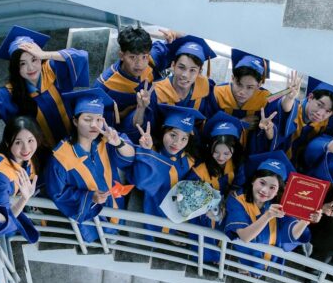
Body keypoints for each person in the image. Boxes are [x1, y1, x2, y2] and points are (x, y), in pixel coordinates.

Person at [0, 25, 90, 146]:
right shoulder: (9, 93)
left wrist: (45, 54)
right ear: (15, 67)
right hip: (44, 153)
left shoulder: (53, 70)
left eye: (34, 59)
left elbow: (80, 56)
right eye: (22, 63)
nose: (30, 68)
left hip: (78, 138)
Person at [46, 88, 136, 243]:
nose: (94, 125)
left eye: (99, 119)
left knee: (116, 227)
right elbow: (58, 193)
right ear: (75, 121)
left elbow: (130, 157)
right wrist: (89, 197)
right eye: (87, 119)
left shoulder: (107, 139)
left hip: (113, 201)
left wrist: (118, 143)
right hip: (90, 215)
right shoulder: (61, 156)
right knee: (99, 240)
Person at [223, 151, 319, 273]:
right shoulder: (236, 199)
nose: (264, 190)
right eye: (262, 182)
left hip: (267, 258)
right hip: (243, 255)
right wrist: (267, 215)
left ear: (278, 190)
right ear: (253, 180)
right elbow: (244, 236)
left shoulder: (282, 203)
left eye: (272, 187)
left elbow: (290, 235)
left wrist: (305, 220)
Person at [124, 33, 217, 142]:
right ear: (173, 65)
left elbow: (205, 125)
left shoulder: (206, 89)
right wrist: (141, 108)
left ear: (200, 71)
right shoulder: (156, 92)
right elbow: (139, 130)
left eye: (192, 70)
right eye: (181, 67)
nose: (185, 75)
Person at [129, 104, 204, 237]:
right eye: (173, 135)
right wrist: (146, 152)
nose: (177, 143)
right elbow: (141, 183)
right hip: (149, 213)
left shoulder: (189, 159)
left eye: (184, 138)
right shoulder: (152, 152)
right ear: (164, 131)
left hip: (176, 220)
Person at [185, 112, 245, 261]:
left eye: (226, 153)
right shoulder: (200, 170)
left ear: (234, 150)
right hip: (203, 211)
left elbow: (239, 188)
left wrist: (226, 205)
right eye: (216, 152)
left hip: (227, 207)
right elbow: (190, 193)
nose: (221, 157)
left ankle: (220, 258)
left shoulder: (237, 166)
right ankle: (205, 259)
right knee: (205, 232)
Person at [273, 76, 333, 165]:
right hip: (276, 160)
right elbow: (286, 107)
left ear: (332, 113)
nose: (320, 113)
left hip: (300, 165)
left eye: (328, 111)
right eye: (319, 105)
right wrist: (289, 98)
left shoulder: (327, 121)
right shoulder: (295, 108)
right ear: (310, 97)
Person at [95, 26, 163, 121]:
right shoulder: (105, 84)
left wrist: (175, 34)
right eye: (132, 57)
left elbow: (175, 49)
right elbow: (94, 113)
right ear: (121, 55)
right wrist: (121, 115)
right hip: (127, 125)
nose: (139, 64)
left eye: (144, 57)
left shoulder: (152, 59)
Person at [0, 116, 43, 217]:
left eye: (30, 140)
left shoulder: (25, 158)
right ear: (7, 143)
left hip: (17, 198)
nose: (26, 149)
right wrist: (24, 199)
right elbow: (3, 217)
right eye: (18, 142)